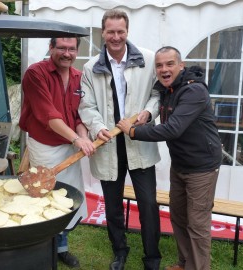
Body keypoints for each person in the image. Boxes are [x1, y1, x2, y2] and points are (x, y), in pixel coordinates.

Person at [117, 46, 222, 270]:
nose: (164, 69)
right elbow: (153, 98)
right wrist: (146, 112)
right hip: (180, 164)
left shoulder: (194, 92)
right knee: (179, 218)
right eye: (159, 65)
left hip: (202, 167)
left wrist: (132, 131)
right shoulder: (168, 89)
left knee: (197, 224)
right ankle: (185, 263)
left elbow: (172, 129)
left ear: (181, 66)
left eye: (170, 64)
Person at [78, 9, 162, 270]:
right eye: (111, 32)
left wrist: (149, 111)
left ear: (127, 31)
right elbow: (86, 105)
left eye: (121, 31)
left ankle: (152, 257)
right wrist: (98, 126)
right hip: (108, 145)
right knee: (112, 206)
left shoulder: (148, 59)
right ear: (103, 32)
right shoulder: (91, 67)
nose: (116, 37)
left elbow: (158, 93)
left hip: (139, 143)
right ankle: (120, 251)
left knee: (148, 204)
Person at [19, 37, 95, 268]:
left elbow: (79, 114)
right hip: (45, 145)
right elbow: (47, 114)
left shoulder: (78, 76)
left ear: (77, 52)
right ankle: (40, 247)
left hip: (70, 146)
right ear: (51, 48)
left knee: (67, 198)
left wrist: (81, 137)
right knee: (45, 196)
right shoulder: (35, 73)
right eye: (61, 48)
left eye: (72, 49)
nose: (67, 53)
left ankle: (61, 247)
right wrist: (77, 138)